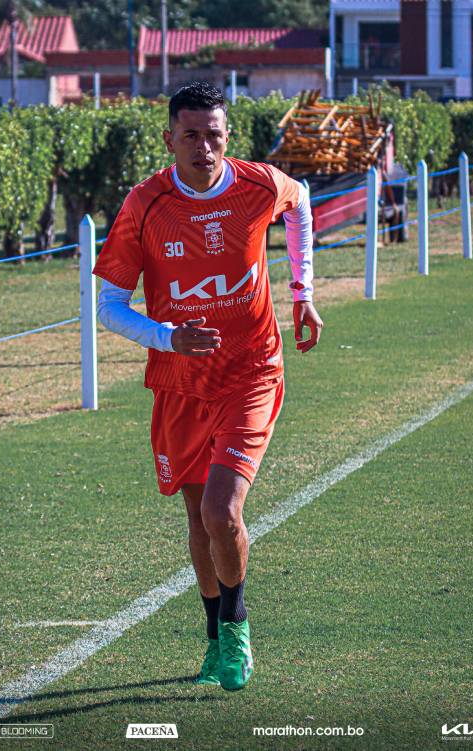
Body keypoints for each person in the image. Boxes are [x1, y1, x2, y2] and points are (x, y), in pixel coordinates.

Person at [92, 82, 323, 691]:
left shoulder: (258, 184)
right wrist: (169, 337)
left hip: (252, 371)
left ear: (229, 136)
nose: (204, 146)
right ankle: (215, 639)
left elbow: (301, 205)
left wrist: (302, 292)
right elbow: (108, 307)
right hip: (181, 382)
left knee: (224, 509)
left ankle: (239, 629)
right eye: (191, 135)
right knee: (198, 518)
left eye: (214, 134)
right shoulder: (145, 205)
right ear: (169, 138)